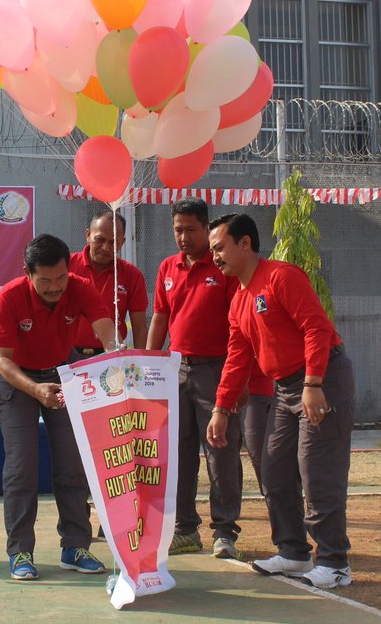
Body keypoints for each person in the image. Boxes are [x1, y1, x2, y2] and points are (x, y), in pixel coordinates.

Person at [206, 212, 356, 589]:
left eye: (220, 248)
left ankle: (335, 563)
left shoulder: (281, 277)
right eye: (213, 251)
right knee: (273, 468)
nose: (216, 257)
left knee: (317, 470)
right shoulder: (239, 300)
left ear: (245, 243)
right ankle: (293, 553)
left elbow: (316, 328)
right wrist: (221, 409)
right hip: (285, 389)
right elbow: (238, 357)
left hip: (321, 380)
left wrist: (313, 383)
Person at [0, 233, 118, 581]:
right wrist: (34, 389)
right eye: (45, 281)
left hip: (64, 376)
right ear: (28, 273)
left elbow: (104, 324)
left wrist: (113, 352)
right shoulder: (9, 297)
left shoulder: (78, 286)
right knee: (22, 468)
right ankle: (20, 551)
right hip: (19, 383)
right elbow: (1, 360)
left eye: (60, 278)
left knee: (73, 464)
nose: (55, 287)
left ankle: (75, 546)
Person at [146, 197, 248, 560]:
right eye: (178, 230)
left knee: (220, 452)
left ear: (206, 229)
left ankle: (224, 531)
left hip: (216, 371)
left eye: (191, 229)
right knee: (178, 454)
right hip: (175, 371)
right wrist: (151, 366)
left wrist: (237, 381)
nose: (183, 237)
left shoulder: (223, 267)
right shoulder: (167, 268)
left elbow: (239, 326)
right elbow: (160, 317)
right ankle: (184, 529)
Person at [68, 209, 149, 355]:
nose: (105, 247)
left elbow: (139, 327)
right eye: (100, 240)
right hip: (68, 356)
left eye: (113, 242)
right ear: (88, 235)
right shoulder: (66, 266)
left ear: (122, 242)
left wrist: (140, 361)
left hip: (111, 357)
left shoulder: (132, 275)